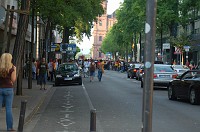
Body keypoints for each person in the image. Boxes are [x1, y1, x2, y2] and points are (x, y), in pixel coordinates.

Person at [0, 53, 17, 131]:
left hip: (0, 89)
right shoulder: (12, 68)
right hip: (9, 89)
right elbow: (13, 80)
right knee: (8, 109)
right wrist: (15, 70)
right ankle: (9, 128)